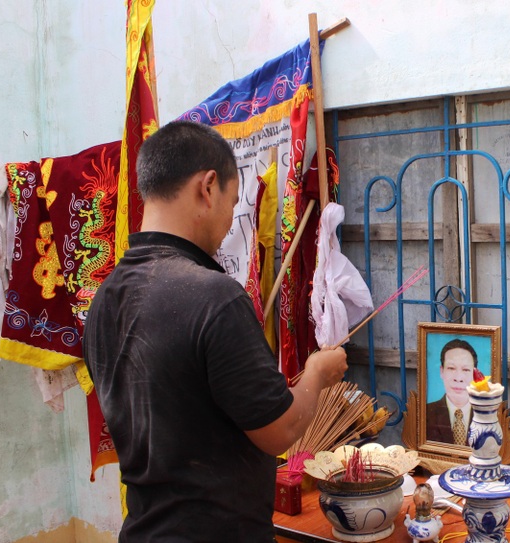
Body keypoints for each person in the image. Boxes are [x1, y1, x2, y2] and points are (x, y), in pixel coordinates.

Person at [83, 120, 347, 542]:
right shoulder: (214, 298)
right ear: (208, 187)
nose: (229, 221)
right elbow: (277, 430)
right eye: (232, 199)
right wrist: (317, 373)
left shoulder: (105, 298)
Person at [425, 338, 478, 445]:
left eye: (466, 370)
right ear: (442, 371)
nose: (458, 378)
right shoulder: (424, 413)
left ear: (475, 374)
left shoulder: (488, 414)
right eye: (451, 368)